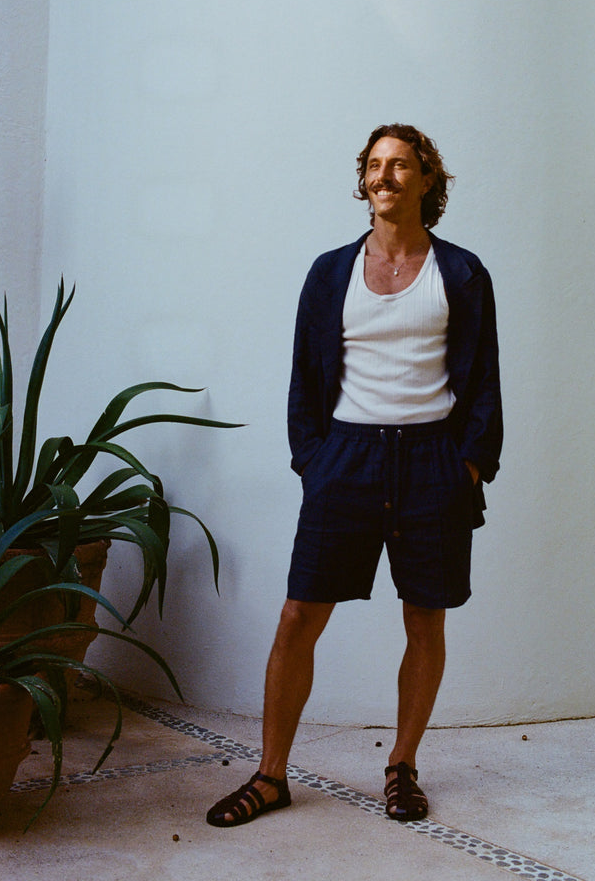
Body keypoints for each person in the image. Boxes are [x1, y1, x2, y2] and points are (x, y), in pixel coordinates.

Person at [206, 124, 502, 828]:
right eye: (375, 164)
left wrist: (468, 465)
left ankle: (401, 767)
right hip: (346, 458)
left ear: (427, 181)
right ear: (363, 180)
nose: (386, 175)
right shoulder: (329, 271)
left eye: (401, 165)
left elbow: (485, 379)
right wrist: (315, 461)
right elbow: (304, 379)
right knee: (298, 615)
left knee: (423, 617)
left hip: (433, 460)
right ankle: (270, 775)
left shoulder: (460, 272)